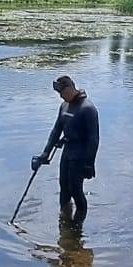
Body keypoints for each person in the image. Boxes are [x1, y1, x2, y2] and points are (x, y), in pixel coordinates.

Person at [32, 75, 99, 227]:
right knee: (63, 187)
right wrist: (45, 153)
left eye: (62, 93)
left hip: (80, 155)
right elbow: (56, 130)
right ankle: (64, 223)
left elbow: (94, 140)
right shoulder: (64, 106)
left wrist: (89, 164)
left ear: (69, 89)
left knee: (76, 190)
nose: (60, 96)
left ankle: (77, 228)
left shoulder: (88, 109)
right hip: (67, 152)